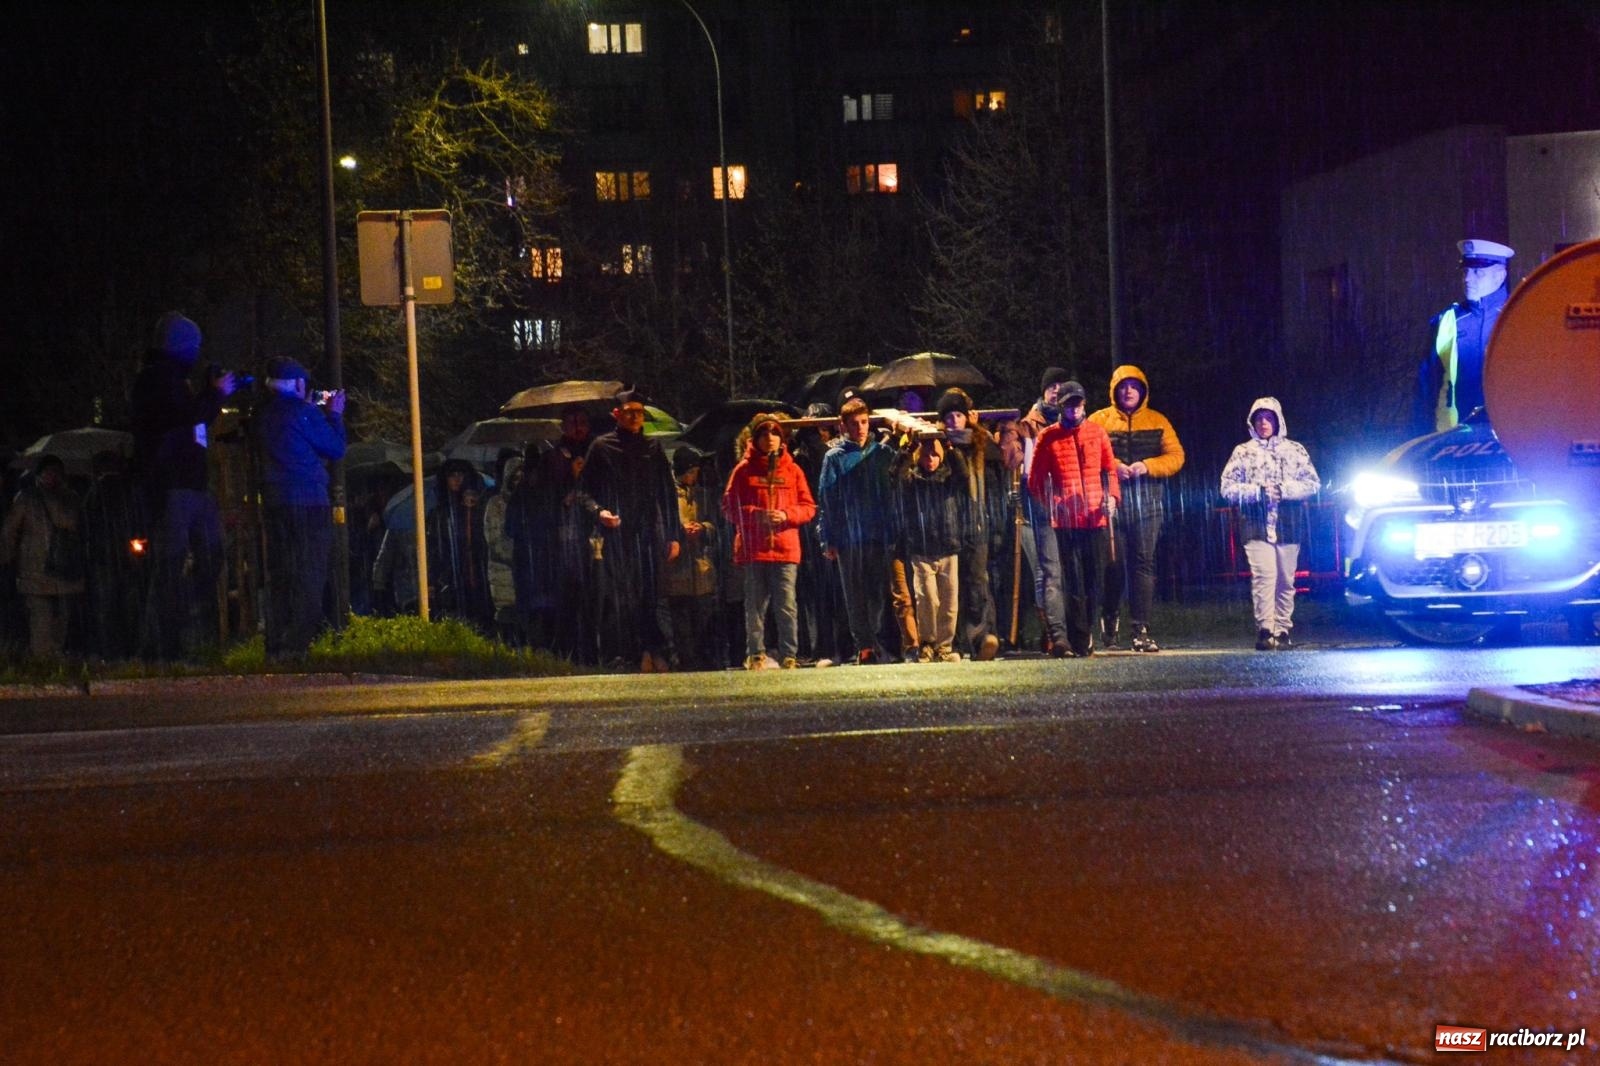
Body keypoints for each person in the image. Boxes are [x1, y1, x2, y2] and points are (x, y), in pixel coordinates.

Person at [129, 311, 235, 659]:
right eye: (194, 346)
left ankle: (176, 636)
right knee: (173, 565)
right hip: (174, 483)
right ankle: (165, 644)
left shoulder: (173, 379)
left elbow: (190, 420)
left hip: (187, 483)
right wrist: (214, 396)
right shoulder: (159, 380)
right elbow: (184, 419)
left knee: (203, 557)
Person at [577, 388, 682, 672]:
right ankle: (634, 651)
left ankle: (651, 648)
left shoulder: (653, 448)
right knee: (624, 594)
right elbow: (584, 491)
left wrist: (674, 534)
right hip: (617, 533)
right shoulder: (601, 447)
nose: (636, 417)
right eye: (629, 413)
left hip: (649, 532)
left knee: (650, 591)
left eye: (639, 413)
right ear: (617, 415)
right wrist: (600, 513)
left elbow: (667, 493)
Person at [252, 356, 346, 660]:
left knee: (281, 573)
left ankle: (275, 645)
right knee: (309, 572)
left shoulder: (264, 415)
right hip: (308, 501)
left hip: (275, 501)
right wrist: (334, 415)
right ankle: (296, 644)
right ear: (299, 384)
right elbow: (335, 448)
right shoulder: (303, 413)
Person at [1087, 365, 1185, 652]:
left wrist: (1147, 466)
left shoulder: (1158, 420)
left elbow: (1176, 456)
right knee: (1111, 564)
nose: (1128, 391)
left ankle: (1141, 628)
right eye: (1123, 386)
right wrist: (1113, 467)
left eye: (1134, 386)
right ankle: (1110, 617)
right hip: (1110, 501)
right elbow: (1088, 454)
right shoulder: (1100, 420)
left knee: (1143, 563)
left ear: (1142, 390)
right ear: (1114, 390)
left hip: (1148, 501)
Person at [1026, 380, 1120, 658]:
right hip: (1066, 521)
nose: (1074, 409)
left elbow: (1110, 470)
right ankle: (1079, 636)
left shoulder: (1097, 433)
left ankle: (1086, 629)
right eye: (1068, 404)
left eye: (1077, 403)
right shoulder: (1048, 437)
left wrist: (1112, 498)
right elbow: (1035, 480)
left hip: (1095, 518)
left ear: (1084, 404)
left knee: (1094, 579)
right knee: (1073, 580)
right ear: (1061, 406)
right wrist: (1052, 504)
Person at [1219, 397, 1321, 651]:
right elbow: (1227, 487)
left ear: (1278, 421)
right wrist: (1258, 492)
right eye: (1259, 419)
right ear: (1252, 422)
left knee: (1286, 579)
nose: (1264, 423)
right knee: (1264, 576)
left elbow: (1312, 483)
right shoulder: (1243, 452)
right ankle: (1265, 629)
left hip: (1288, 522)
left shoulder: (1295, 450)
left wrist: (1284, 490)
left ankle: (1283, 630)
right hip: (1255, 523)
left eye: (1269, 418)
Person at [722, 414, 816, 670]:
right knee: (754, 607)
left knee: (786, 605)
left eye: (775, 433)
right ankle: (756, 654)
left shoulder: (793, 469)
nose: (771, 438)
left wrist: (787, 515)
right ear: (755, 438)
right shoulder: (743, 470)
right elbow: (729, 507)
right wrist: (756, 516)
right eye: (765, 434)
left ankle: (789, 655)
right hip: (755, 550)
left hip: (785, 549)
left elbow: (808, 507)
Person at [508, 406, 595, 660]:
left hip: (591, 535)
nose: (578, 428)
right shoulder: (553, 458)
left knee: (592, 597)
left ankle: (589, 650)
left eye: (582, 422)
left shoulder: (597, 451)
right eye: (572, 422)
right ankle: (567, 650)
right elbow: (545, 500)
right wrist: (569, 484)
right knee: (568, 597)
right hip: (563, 541)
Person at [816, 396, 897, 665]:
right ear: (843, 426)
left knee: (877, 591)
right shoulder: (835, 457)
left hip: (876, 533)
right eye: (854, 423)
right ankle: (865, 645)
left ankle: (874, 639)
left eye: (864, 422)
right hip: (849, 535)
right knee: (854, 593)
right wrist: (827, 536)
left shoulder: (882, 453)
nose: (860, 428)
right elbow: (826, 498)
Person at [1414, 238, 1515, 437]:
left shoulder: (1519, 316)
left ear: (1500, 276)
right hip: (1453, 437)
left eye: (1478, 272)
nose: (1468, 279)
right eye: (1466, 271)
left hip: (1510, 436)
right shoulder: (1447, 320)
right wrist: (1419, 438)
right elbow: (1425, 388)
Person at [1007, 366, 1074, 655]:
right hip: (1036, 502)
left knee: (1061, 569)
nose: (1056, 390)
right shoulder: (1026, 425)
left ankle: (1068, 630)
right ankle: (1052, 631)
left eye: (1061, 385)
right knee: (1046, 571)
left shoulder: (1071, 421)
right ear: (1043, 391)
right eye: (1051, 386)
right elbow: (1014, 460)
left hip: (1068, 503)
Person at [936, 387, 1002, 661]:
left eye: (959, 415)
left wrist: (996, 526)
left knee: (977, 582)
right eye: (949, 415)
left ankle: (982, 638)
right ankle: (959, 642)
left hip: (976, 525)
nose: (954, 420)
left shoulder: (979, 445)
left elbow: (996, 474)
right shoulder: (937, 446)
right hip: (948, 526)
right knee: (952, 587)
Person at [0, 455, 87, 659]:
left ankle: (44, 662)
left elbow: (9, 531)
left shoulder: (27, 498)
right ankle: (50, 660)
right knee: (52, 619)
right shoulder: (72, 498)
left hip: (37, 569)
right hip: (61, 570)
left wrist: (7, 558)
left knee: (44, 619)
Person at [893, 434, 969, 663]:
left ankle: (944, 646)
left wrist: (950, 447)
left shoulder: (949, 479)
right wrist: (908, 448)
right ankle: (927, 643)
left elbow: (964, 474)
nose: (930, 460)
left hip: (948, 546)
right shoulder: (911, 480)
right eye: (925, 455)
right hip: (922, 548)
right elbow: (894, 475)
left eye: (935, 454)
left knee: (949, 601)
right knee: (926, 598)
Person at [81, 449, 149, 659]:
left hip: (103, 560)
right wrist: (137, 551)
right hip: (127, 557)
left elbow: (86, 527)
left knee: (106, 609)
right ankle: (130, 650)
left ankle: (109, 653)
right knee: (129, 608)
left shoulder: (94, 493)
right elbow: (139, 524)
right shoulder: (129, 491)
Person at [665, 446, 720, 670]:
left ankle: (703, 661)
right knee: (681, 621)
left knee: (702, 619)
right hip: (677, 569)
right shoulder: (668, 495)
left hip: (701, 567)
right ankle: (687, 662)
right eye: (691, 471)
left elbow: (714, 525)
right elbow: (663, 525)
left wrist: (703, 528)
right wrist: (680, 531)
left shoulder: (702, 495)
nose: (694, 476)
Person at [428, 458, 494, 632]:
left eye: (460, 475)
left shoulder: (477, 506)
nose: (457, 479)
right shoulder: (439, 514)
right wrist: (432, 580)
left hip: (478, 574)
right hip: (452, 578)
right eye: (452, 475)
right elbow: (434, 548)